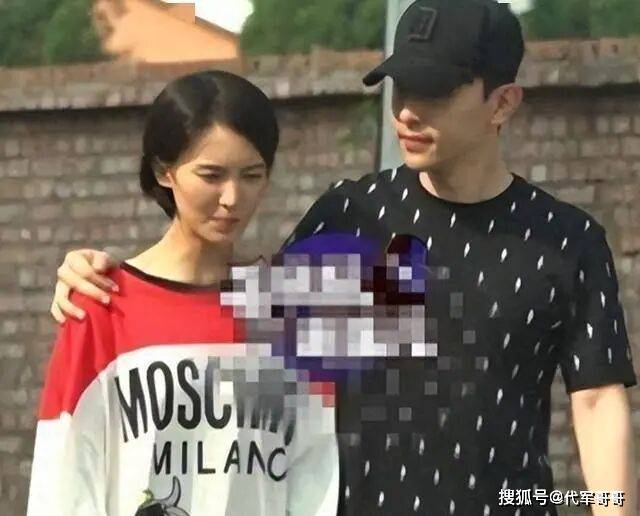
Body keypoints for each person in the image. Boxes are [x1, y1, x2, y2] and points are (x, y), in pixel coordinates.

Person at [48, 0, 638, 514]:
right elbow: (227, 315)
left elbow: (597, 402)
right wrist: (108, 279)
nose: (407, 111)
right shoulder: (352, 216)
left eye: (435, 92)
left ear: (502, 103)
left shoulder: (566, 241)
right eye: (401, 87)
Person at [27, 70, 338, 516]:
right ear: (164, 171)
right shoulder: (101, 305)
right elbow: (63, 482)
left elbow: (317, 478)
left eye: (252, 175)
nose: (232, 198)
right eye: (211, 175)